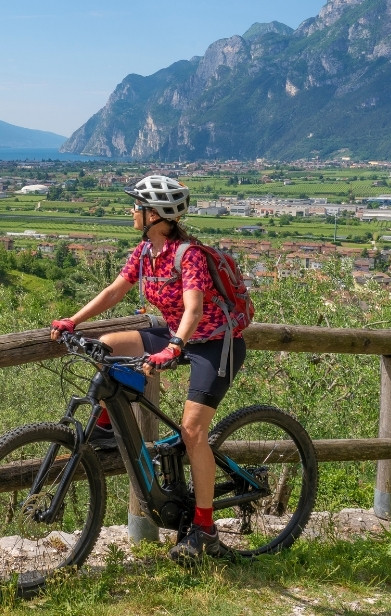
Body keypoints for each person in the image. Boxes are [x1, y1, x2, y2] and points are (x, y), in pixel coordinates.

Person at [49, 174, 246, 562]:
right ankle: (107, 428)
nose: (131, 211)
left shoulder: (187, 255)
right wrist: (73, 321)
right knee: (106, 347)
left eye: (137, 206)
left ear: (155, 214)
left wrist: (174, 347)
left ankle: (204, 529)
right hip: (175, 336)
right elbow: (115, 291)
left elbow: (195, 308)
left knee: (192, 432)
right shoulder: (143, 253)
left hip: (214, 343)